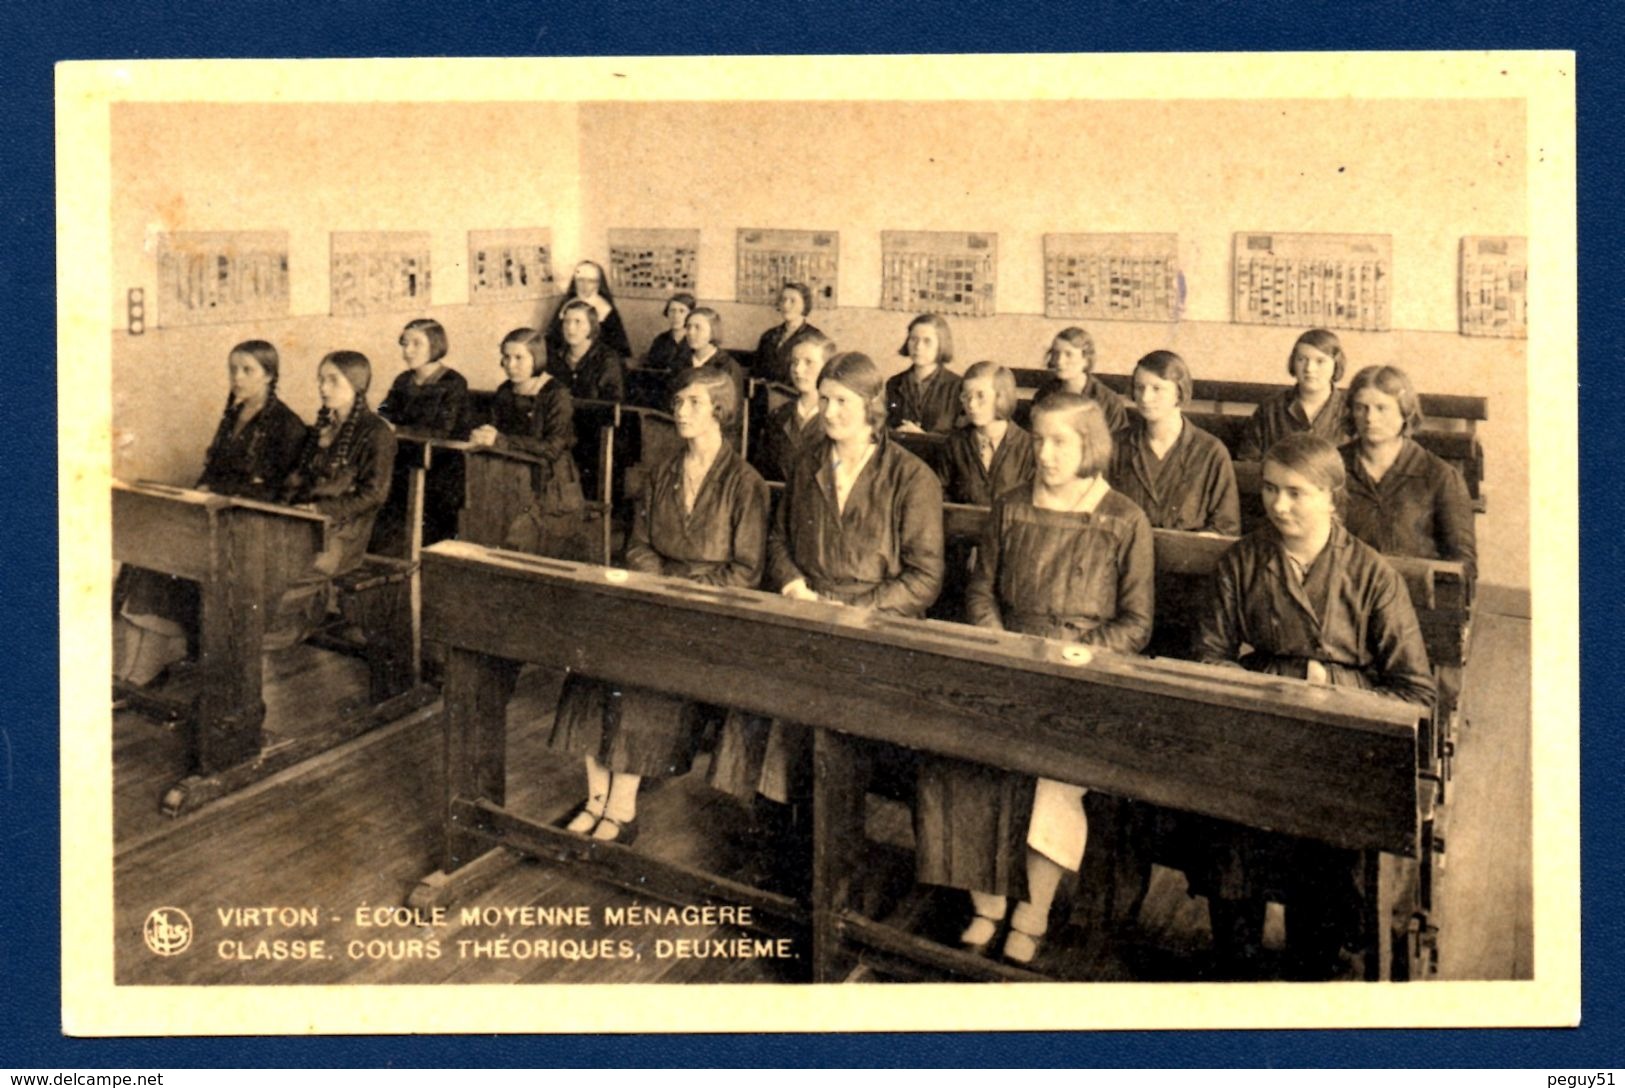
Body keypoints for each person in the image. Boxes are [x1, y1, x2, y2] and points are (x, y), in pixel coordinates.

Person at [916, 393, 1154, 965]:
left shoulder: (1123, 517)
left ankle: (1034, 909)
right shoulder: (1011, 505)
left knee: (1051, 779)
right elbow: (981, 590)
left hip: (1080, 677)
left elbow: (1136, 624)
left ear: (1089, 446)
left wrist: (1073, 653)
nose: (1044, 454)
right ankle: (989, 900)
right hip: (1008, 662)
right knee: (960, 762)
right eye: (1039, 440)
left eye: (1060, 442)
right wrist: (1002, 643)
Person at [1193, 432, 1434, 979]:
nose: (1279, 505)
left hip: (1341, 743)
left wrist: (1328, 689)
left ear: (1331, 496)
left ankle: (1316, 967)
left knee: (1325, 840)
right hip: (1258, 731)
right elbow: (1208, 656)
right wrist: (1290, 681)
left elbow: (1416, 694)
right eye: (1270, 490)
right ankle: (1238, 963)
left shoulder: (1373, 576)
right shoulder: (1243, 560)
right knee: (1230, 820)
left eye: (1296, 493)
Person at [711, 352, 944, 870]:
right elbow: (778, 539)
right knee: (759, 690)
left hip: (879, 626)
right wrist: (794, 586)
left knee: (824, 706)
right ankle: (776, 831)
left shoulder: (912, 478)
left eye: (842, 401)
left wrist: (854, 610)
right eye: (825, 398)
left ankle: (824, 847)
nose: (829, 410)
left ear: (872, 408)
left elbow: (924, 580)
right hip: (809, 610)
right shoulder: (807, 463)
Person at [550, 365, 770, 843]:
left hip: (710, 613)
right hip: (655, 597)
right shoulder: (663, 472)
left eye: (692, 402)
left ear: (719, 410)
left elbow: (746, 571)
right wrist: (661, 587)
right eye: (678, 402)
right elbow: (637, 546)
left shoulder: (744, 482)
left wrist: (685, 594)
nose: (680, 411)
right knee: (591, 666)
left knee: (644, 678)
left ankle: (621, 807)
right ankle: (595, 797)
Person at [114, 340, 308, 685]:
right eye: (233, 369)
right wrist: (203, 489)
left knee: (180, 560)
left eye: (248, 370)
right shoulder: (234, 413)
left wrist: (220, 495)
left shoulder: (287, 425)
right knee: (150, 552)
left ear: (269, 375)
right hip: (216, 512)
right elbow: (214, 467)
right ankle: (149, 662)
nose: (237, 377)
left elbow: (276, 492)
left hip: (252, 522)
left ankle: (161, 661)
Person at [265, 351, 398, 651]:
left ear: (356, 384)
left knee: (289, 572)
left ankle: (275, 630)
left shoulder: (376, 433)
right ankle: (257, 632)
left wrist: (318, 509)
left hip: (345, 533)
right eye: (321, 380)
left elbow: (374, 495)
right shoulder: (323, 428)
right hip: (307, 524)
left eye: (332, 380)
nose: (323, 388)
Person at [1339, 365, 1477, 582]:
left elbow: (1463, 563)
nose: (1370, 418)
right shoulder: (1332, 466)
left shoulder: (1440, 476)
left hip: (1415, 598)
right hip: (1344, 592)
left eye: (1381, 408)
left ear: (1405, 412)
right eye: (1361, 407)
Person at [467, 328, 585, 560]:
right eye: (506, 357)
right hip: (509, 478)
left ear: (537, 357)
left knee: (521, 537)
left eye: (519, 357)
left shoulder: (556, 394)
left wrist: (500, 440)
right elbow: (495, 431)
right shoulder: (504, 391)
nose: (511, 364)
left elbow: (552, 448)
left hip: (551, 486)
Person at [1109, 350, 1240, 536]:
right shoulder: (1116, 446)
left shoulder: (1210, 452)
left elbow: (1227, 526)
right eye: (1139, 388)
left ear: (1179, 393)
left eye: (1157, 388)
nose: (1145, 398)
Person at [376, 317, 471, 546]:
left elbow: (443, 431)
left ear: (435, 345)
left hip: (441, 465)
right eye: (405, 343)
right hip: (405, 459)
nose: (408, 350)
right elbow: (385, 414)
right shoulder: (403, 380)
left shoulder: (454, 382)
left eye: (416, 343)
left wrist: (396, 429)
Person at [1236, 329, 1351, 461]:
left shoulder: (1349, 411)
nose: (1309, 369)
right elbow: (1248, 460)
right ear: (1293, 363)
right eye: (1302, 359)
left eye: (1320, 361)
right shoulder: (1270, 409)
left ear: (1336, 364)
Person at [938, 361, 1035, 506]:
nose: (971, 404)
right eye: (966, 396)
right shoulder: (954, 444)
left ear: (1001, 397)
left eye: (980, 396)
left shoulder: (1028, 447)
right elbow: (940, 494)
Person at [756, 332, 834, 483]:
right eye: (794, 362)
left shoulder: (835, 418)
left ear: (827, 368)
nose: (798, 370)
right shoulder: (778, 416)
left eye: (808, 362)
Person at [1031, 326, 1128, 434]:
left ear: (1086, 359)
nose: (1059, 361)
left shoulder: (1108, 402)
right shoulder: (1044, 394)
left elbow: (1118, 444)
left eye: (1068, 354)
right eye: (1055, 353)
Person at [674, 307, 748, 448]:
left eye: (698, 328)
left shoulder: (728, 367)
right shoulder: (679, 362)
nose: (690, 332)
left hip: (716, 437)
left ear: (713, 331)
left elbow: (731, 416)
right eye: (688, 327)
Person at [886, 313, 963, 434]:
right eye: (913, 339)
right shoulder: (894, 383)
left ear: (941, 345)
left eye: (927, 341)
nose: (918, 347)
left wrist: (923, 437)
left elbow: (962, 438)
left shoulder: (957, 386)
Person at [544, 259, 632, 360]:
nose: (585, 286)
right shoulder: (566, 305)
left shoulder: (606, 309)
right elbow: (552, 342)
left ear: (598, 284)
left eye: (591, 281)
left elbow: (618, 349)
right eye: (581, 280)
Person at [546, 298, 627, 403]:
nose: (570, 328)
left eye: (578, 322)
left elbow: (613, 404)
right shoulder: (556, 357)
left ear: (591, 326)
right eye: (566, 322)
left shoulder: (607, 359)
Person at [752, 281, 826, 384]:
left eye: (792, 301)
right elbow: (757, 371)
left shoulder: (815, 337)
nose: (786, 305)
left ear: (805, 305)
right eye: (783, 300)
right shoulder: (768, 336)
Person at [646, 291, 695, 373]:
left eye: (682, 311)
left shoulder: (696, 340)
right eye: (672, 311)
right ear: (667, 313)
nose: (676, 316)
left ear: (691, 315)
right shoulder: (660, 340)